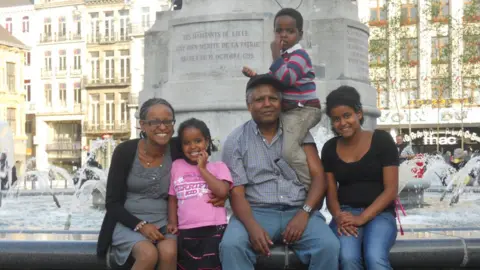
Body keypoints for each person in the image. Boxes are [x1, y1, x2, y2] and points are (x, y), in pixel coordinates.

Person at [220, 74, 339, 270]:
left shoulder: (298, 131)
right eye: (259, 99)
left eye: (273, 98)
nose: (267, 104)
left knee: (329, 246)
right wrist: (252, 226)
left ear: (281, 103)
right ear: (249, 105)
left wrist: (305, 212)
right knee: (231, 245)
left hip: (298, 209)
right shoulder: (236, 140)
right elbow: (236, 193)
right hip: (257, 211)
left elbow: (319, 177)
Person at [96, 98, 226, 270]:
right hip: (129, 221)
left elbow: (201, 165)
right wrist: (140, 225)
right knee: (148, 254)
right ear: (142, 125)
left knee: (169, 253)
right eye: (155, 122)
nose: (163, 127)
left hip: (167, 222)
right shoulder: (125, 151)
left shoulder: (178, 148)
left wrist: (221, 195)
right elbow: (112, 203)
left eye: (167, 121)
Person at [242, 8, 321, 191]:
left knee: (288, 151)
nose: (283, 35)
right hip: (292, 112)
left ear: (300, 34)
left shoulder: (300, 56)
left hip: (304, 110)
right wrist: (255, 77)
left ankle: (312, 187)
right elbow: (273, 81)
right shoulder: (284, 58)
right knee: (284, 147)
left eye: (290, 31)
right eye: (279, 31)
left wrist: (275, 54)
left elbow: (285, 79)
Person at [321, 86, 399, 270]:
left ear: (359, 114)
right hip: (346, 213)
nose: (342, 123)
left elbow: (391, 190)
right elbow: (331, 193)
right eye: (336, 119)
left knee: (375, 257)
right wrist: (338, 216)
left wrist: (362, 217)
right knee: (347, 258)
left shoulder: (382, 140)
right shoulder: (330, 148)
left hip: (380, 215)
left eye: (347, 115)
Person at [167, 118, 232, 270]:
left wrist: (202, 169)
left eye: (198, 141)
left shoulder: (218, 167)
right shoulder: (176, 166)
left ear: (207, 141)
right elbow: (172, 198)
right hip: (186, 230)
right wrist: (172, 222)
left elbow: (222, 191)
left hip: (213, 229)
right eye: (187, 143)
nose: (193, 146)